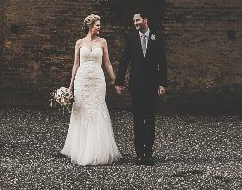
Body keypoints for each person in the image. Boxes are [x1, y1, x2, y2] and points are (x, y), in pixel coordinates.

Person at [61, 13, 121, 166]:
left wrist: (115, 81)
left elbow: (107, 63)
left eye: (99, 25)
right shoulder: (79, 43)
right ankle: (80, 148)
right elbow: (76, 64)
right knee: (81, 110)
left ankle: (96, 151)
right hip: (82, 80)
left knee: (96, 109)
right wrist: (70, 85)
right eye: (97, 25)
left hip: (97, 80)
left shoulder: (103, 42)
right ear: (90, 26)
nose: (99, 28)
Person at [115, 11, 167, 165]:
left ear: (145, 19)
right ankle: (139, 154)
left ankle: (148, 153)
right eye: (134, 21)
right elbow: (124, 60)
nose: (135, 23)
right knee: (138, 120)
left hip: (152, 85)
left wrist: (162, 83)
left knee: (150, 119)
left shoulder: (156, 38)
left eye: (137, 20)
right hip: (136, 85)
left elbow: (162, 62)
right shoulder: (130, 38)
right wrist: (119, 82)